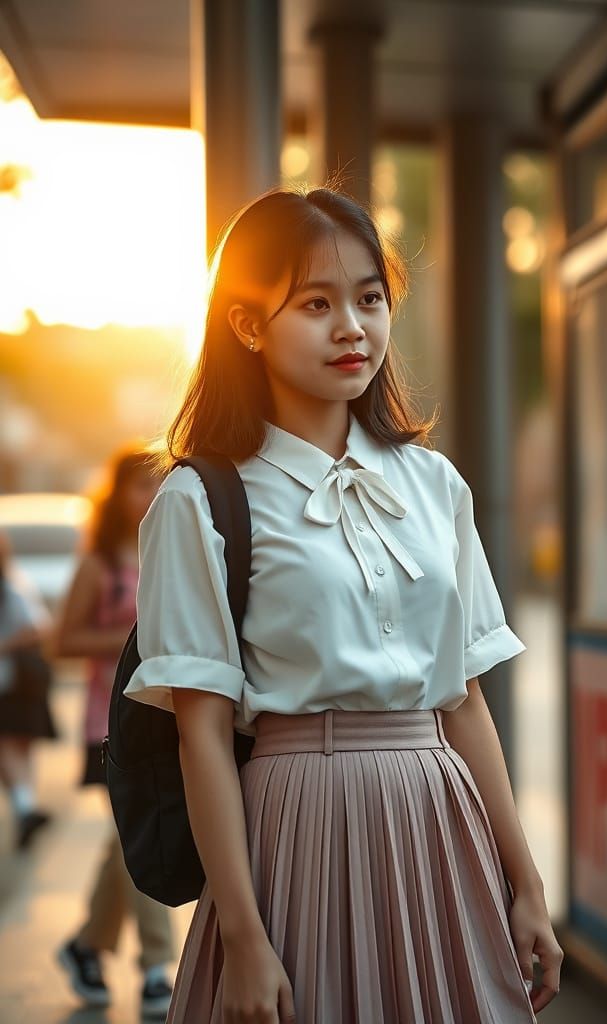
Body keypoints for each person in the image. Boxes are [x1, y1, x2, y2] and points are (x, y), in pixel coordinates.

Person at [122, 186, 562, 1023]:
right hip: (299, 825)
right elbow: (202, 733)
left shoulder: (433, 483)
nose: (352, 327)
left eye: (369, 298)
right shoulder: (201, 498)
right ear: (249, 324)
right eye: (315, 303)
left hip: (440, 819)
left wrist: (527, 884)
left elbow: (464, 700)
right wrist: (246, 940)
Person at [54, 447, 174, 1018]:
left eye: (158, 484)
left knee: (127, 840)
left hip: (166, 719)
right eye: (137, 486)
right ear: (117, 494)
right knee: (138, 835)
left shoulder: (174, 552)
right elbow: (63, 642)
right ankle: (156, 967)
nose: (148, 497)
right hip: (109, 723)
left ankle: (84, 946)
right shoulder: (99, 563)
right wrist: (135, 642)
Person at [0, 528, 55, 850]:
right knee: (15, 749)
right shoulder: (15, 583)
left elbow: (38, 628)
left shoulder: (13, 587)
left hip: (11, 683)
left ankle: (25, 808)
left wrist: (4, 645)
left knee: (11, 747)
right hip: (13, 682)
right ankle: (25, 807)